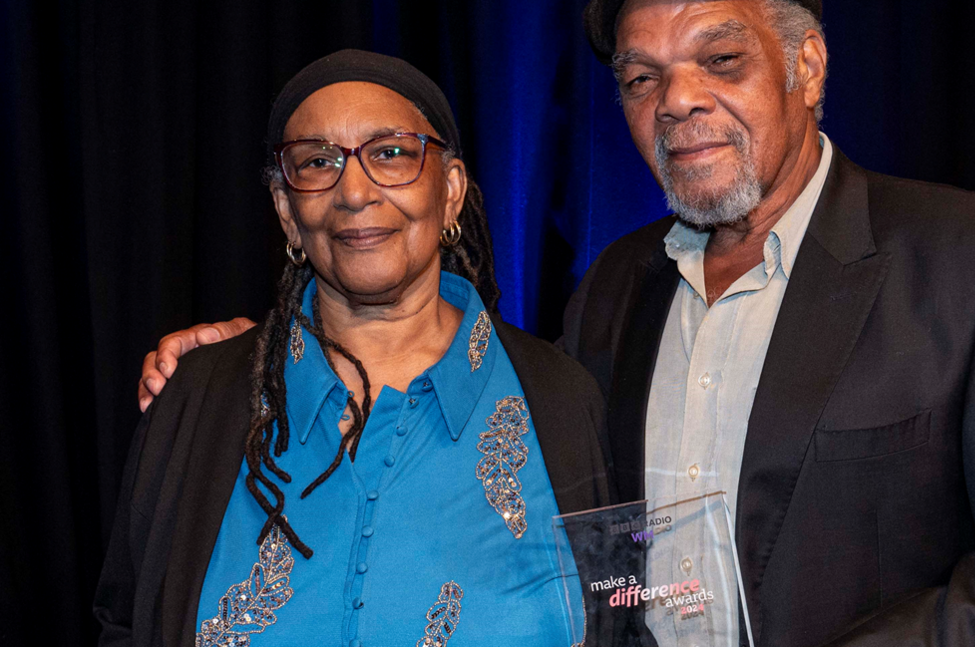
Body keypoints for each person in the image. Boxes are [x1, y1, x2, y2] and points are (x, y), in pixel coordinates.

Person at [139, 1, 975, 645]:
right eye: (641, 76)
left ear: (809, 66)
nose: (678, 100)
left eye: (721, 59)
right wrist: (262, 354)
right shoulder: (615, 287)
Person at [97, 49, 609, 647]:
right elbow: (126, 624)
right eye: (317, 163)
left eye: (390, 153)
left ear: (450, 191)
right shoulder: (196, 399)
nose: (354, 192)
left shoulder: (563, 401)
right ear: (287, 212)